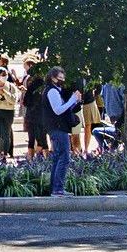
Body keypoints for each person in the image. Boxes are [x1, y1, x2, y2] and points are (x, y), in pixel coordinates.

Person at [44, 67, 81, 197]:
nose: (62, 80)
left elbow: (63, 109)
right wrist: (72, 99)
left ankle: (55, 188)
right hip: (58, 128)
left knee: (58, 157)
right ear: (52, 78)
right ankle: (58, 189)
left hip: (58, 127)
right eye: (59, 78)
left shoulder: (56, 91)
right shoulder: (52, 91)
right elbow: (57, 110)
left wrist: (75, 101)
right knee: (64, 157)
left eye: (63, 78)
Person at [0, 70, 18, 158]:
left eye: (6, 75)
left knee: (6, 133)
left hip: (8, 111)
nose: (4, 77)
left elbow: (13, 100)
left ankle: (5, 153)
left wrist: (5, 93)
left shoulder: (11, 86)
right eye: (2, 75)